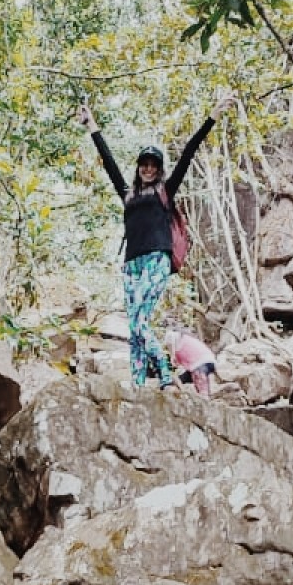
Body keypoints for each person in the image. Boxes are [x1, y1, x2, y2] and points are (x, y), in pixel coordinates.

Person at [78, 93, 235, 388]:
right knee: (137, 327)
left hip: (157, 259)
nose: (148, 168)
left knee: (139, 323)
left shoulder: (165, 191)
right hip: (131, 266)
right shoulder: (128, 194)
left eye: (154, 164)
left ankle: (163, 367)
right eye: (144, 164)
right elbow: (108, 160)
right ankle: (138, 383)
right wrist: (92, 125)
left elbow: (189, 152)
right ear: (139, 167)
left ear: (159, 169)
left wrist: (212, 115)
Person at [169, 328, 217, 396]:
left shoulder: (179, 344)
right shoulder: (188, 339)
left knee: (202, 391)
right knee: (182, 379)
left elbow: (175, 363)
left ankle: (204, 399)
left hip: (199, 365)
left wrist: (172, 355)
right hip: (208, 361)